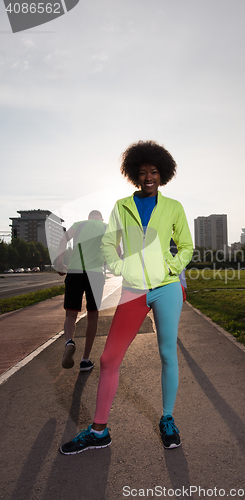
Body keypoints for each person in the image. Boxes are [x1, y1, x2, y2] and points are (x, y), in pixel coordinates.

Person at [60, 140, 193, 454]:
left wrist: (170, 267)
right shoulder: (122, 206)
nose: (149, 177)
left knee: (166, 353)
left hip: (166, 288)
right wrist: (120, 266)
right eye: (143, 172)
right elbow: (109, 243)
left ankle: (168, 419)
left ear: (163, 175)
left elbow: (185, 246)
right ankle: (99, 431)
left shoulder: (173, 207)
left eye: (155, 172)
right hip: (133, 290)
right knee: (108, 359)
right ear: (135, 174)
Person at [56, 210, 107, 372]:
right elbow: (117, 252)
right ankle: (85, 360)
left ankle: (69, 341)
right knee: (93, 315)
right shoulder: (106, 227)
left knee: (70, 315)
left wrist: (59, 262)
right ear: (101, 218)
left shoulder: (79, 225)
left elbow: (63, 240)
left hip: (75, 272)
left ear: (89, 217)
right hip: (95, 274)